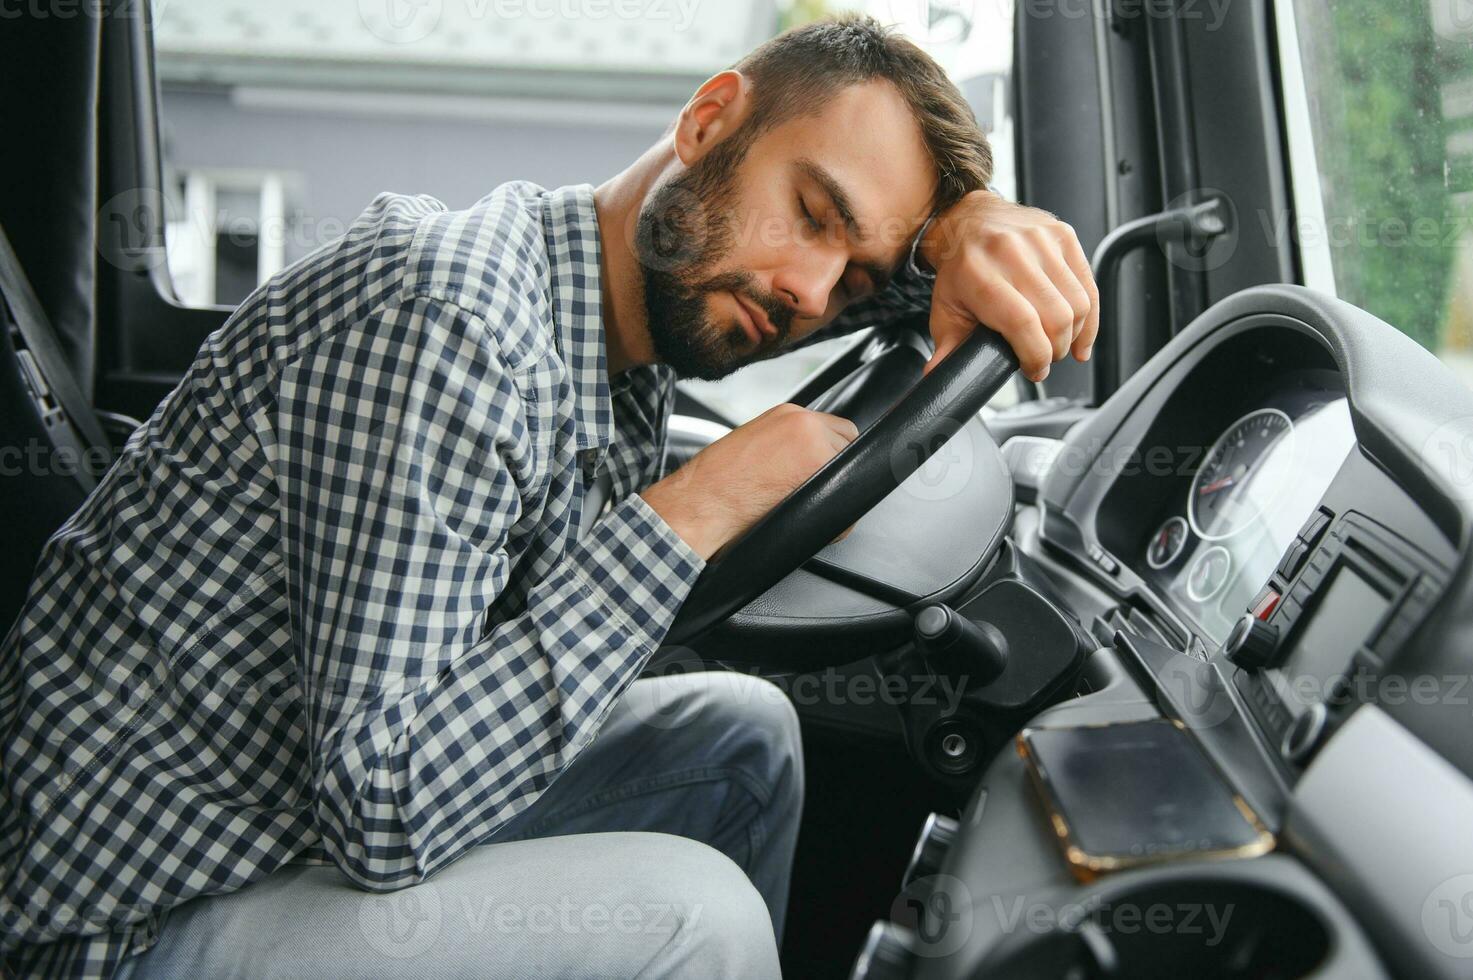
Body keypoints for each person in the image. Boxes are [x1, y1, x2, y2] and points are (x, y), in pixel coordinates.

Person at [0, 15, 1097, 979]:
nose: (813, 292)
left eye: (852, 278)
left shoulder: (619, 322)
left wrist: (966, 225)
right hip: (131, 916)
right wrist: (701, 504)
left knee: (743, 738)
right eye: (810, 211)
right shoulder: (457, 322)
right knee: (694, 921)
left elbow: (899, 271)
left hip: (274, 818)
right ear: (710, 119)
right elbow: (380, 808)